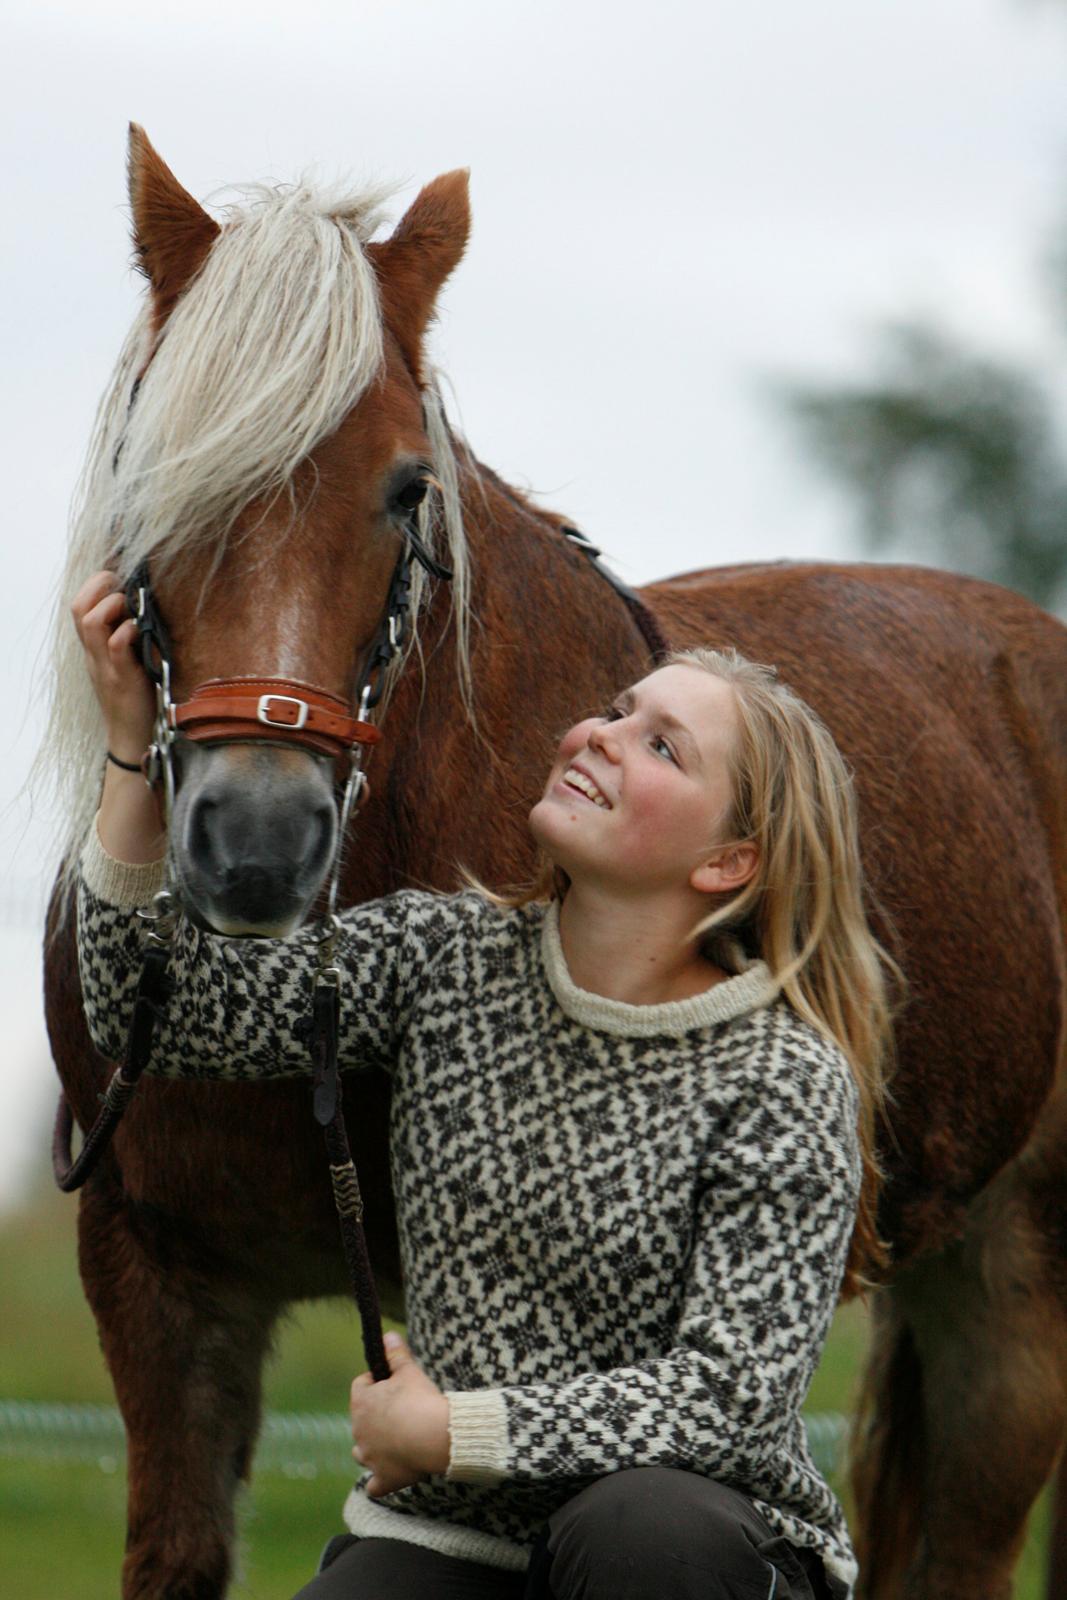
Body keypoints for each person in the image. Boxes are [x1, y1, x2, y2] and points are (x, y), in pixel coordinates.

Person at [72, 569, 895, 1600]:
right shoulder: (443, 959)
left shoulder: (782, 1076)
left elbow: (724, 1402)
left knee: (643, 1526)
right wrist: (128, 749)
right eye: (614, 710)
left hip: (692, 1545)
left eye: (659, 745)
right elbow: (160, 1015)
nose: (597, 733)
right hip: (453, 1540)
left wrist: (453, 1430)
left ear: (727, 861)